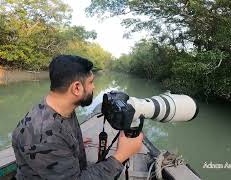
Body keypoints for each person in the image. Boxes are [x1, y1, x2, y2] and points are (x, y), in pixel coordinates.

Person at [12, 55, 143, 180]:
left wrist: (73, 143)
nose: (94, 87)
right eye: (91, 82)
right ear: (76, 88)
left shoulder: (60, 107)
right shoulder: (43, 136)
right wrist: (121, 156)